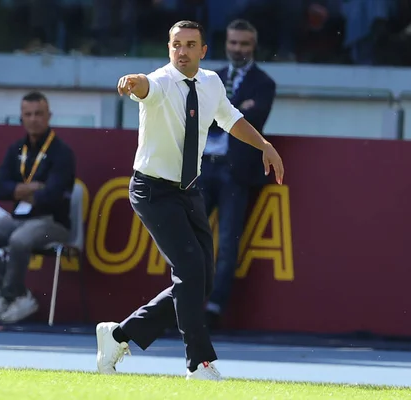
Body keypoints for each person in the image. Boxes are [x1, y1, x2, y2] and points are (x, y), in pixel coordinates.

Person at [95, 20, 284, 381]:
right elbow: (145, 86)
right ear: (169, 49)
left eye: (190, 44)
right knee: (189, 272)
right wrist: (135, 82)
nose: (182, 51)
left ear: (203, 51)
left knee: (202, 280)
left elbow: (231, 119)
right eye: (176, 44)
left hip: (188, 188)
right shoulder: (162, 81)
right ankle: (199, 362)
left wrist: (265, 145)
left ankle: (119, 335)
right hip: (152, 190)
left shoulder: (211, 82)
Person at [0, 91, 76, 323]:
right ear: (21, 118)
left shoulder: (62, 153)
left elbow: (53, 195)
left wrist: (19, 190)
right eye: (28, 114)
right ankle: (17, 295)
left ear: (49, 116)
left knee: (19, 240)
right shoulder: (16, 149)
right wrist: (31, 188)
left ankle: (7, 296)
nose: (33, 119)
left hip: (53, 222)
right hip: (18, 217)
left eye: (39, 113)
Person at [199, 19, 276, 330]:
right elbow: (209, 118)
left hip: (236, 171)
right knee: (189, 239)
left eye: (244, 44)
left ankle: (214, 308)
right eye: (233, 43)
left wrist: (224, 113)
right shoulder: (210, 77)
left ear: (253, 45)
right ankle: (181, 304)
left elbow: (250, 119)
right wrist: (233, 110)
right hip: (202, 168)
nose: (238, 49)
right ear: (225, 43)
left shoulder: (264, 82)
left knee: (228, 244)